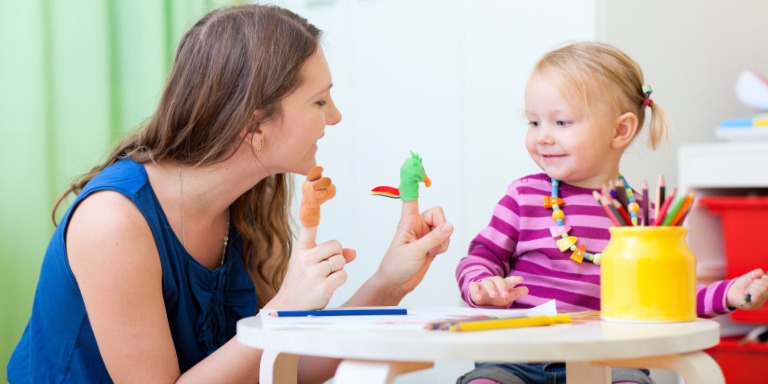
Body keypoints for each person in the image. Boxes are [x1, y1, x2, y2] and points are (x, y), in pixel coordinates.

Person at [7, 5, 453, 383]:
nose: (334, 117)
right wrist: (281, 311)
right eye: (319, 101)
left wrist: (387, 281)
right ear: (255, 123)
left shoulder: (248, 203)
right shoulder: (113, 222)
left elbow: (287, 366)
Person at [454, 41, 768, 384]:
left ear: (620, 130)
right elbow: (481, 256)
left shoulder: (644, 217)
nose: (542, 137)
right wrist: (481, 285)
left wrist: (729, 293)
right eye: (533, 122)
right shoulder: (523, 196)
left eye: (560, 122)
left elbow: (667, 297)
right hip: (514, 357)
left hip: (608, 361)